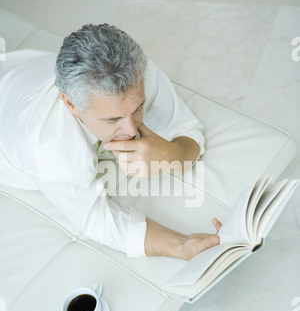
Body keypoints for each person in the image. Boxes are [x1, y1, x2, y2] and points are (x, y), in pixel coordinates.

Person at [0, 23, 221, 259]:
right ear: (71, 104)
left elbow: (187, 128)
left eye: (138, 108)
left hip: (28, 69)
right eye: (112, 119)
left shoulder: (137, 73)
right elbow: (98, 222)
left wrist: (171, 154)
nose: (131, 128)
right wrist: (181, 245)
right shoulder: (47, 147)